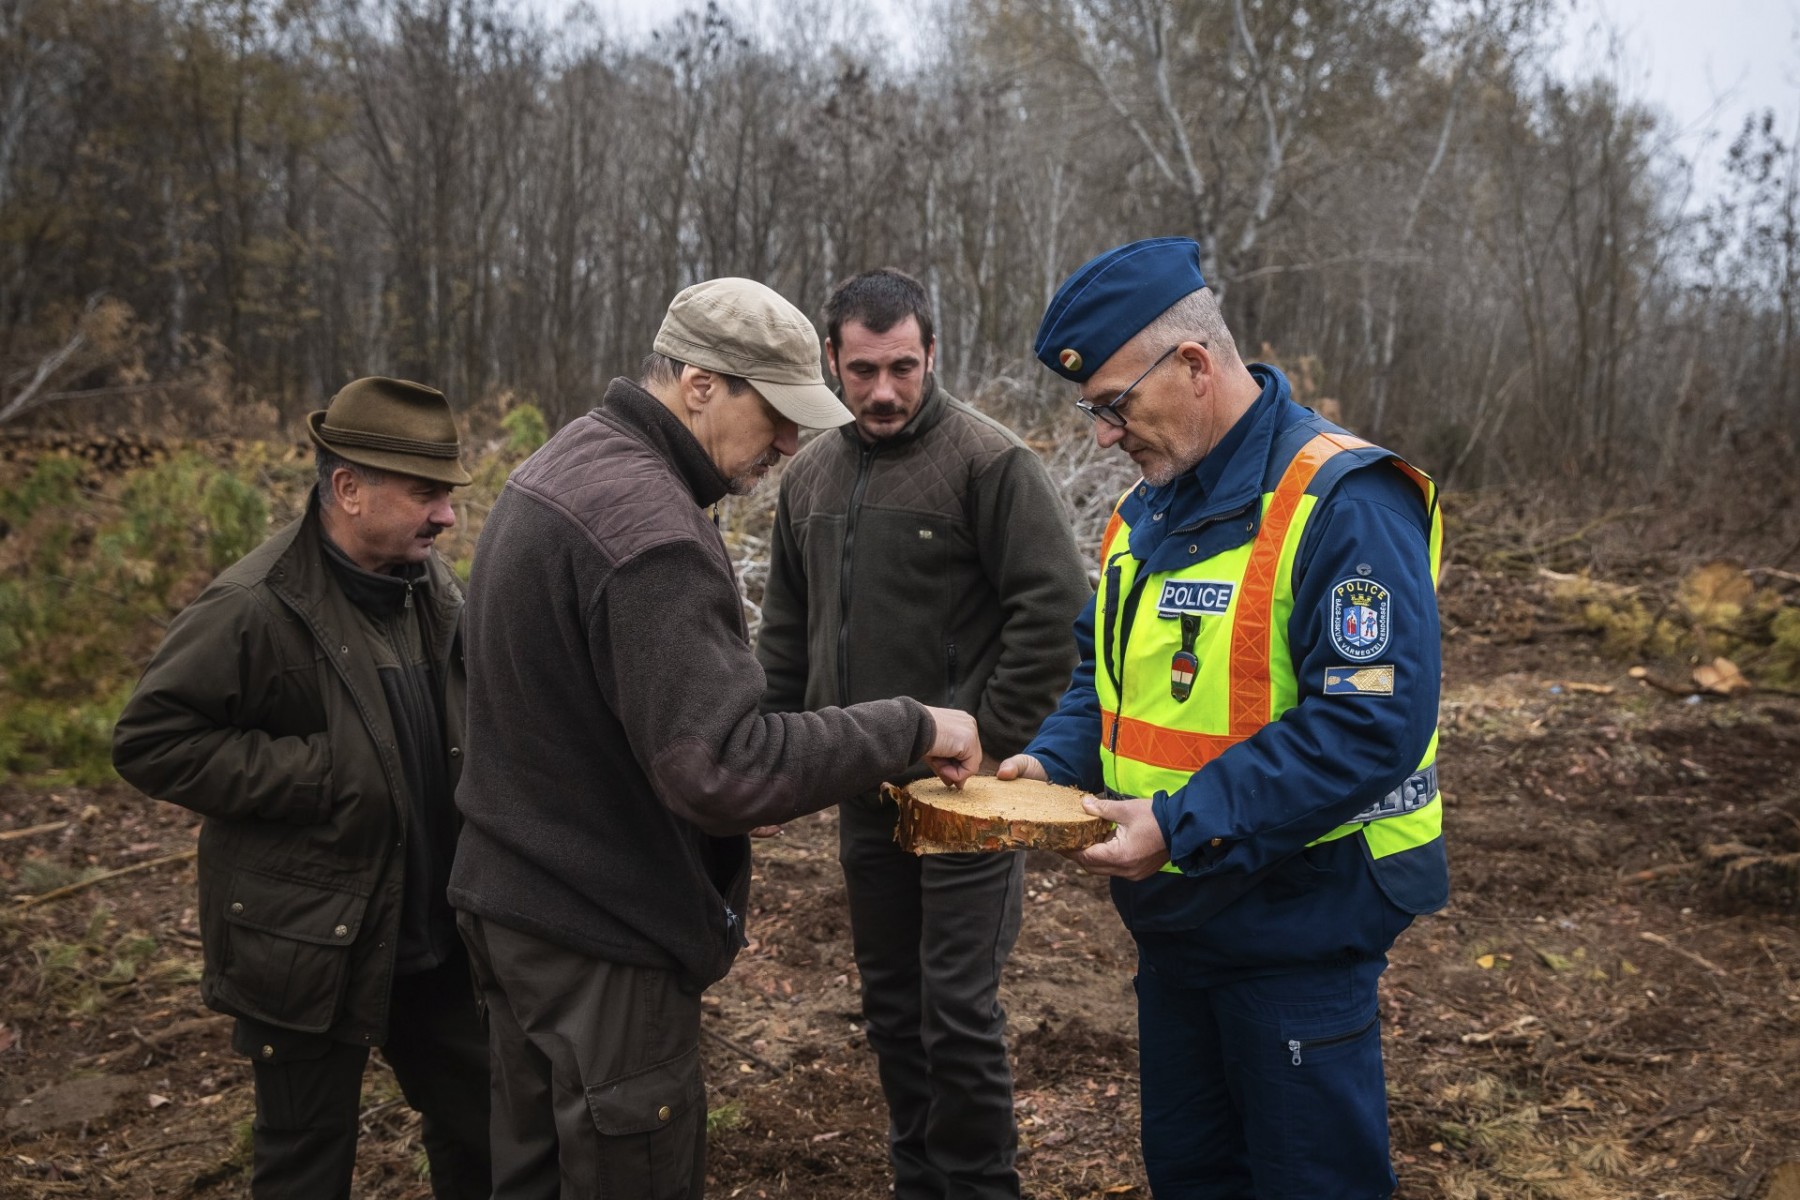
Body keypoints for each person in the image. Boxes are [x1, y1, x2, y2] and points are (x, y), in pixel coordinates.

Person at [447, 276, 985, 1200]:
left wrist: (700, 784)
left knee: (530, 1175)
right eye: (774, 414)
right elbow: (724, 767)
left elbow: (509, 687)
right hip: (600, 938)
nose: (787, 442)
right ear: (700, 385)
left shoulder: (560, 469)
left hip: (513, 909)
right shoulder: (653, 531)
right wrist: (912, 724)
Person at [997, 237, 1447, 1199]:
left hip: (1299, 920)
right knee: (1195, 1174)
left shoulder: (1345, 502)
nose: (1106, 436)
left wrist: (1178, 822)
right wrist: (1051, 763)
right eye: (1093, 414)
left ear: (1194, 365)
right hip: (1181, 922)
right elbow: (1104, 677)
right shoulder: (1145, 510)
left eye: (1115, 407)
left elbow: (1369, 725)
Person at [753, 267, 1090, 1199]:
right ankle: (920, 1181)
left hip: (965, 806)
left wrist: (985, 741)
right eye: (861, 370)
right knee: (894, 1008)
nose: (884, 391)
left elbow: (1056, 612)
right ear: (831, 360)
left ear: (932, 354)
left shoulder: (989, 463)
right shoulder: (812, 472)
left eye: (903, 366)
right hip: (863, 788)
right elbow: (788, 630)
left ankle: (981, 1185)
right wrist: (775, 763)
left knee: (957, 1009)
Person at [111, 378, 490, 1200]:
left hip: (433, 934)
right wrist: (327, 774)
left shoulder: (434, 590)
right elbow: (150, 742)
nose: (447, 516)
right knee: (305, 1161)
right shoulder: (253, 606)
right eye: (426, 495)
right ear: (349, 490)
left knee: (487, 1132)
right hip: (309, 942)